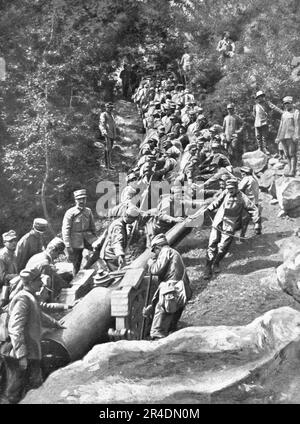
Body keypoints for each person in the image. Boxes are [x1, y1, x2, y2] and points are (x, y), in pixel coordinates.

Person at [4, 268, 64, 403]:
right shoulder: (23, 298)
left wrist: (55, 323)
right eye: (38, 280)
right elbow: (15, 328)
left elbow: (39, 315)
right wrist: (22, 356)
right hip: (22, 353)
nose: (41, 283)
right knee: (14, 392)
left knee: (32, 387)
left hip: (31, 352)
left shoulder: (29, 296)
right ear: (30, 282)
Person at [203, 178, 261, 279]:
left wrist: (257, 224)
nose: (230, 190)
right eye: (228, 188)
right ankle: (208, 268)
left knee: (223, 247)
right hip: (218, 222)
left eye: (232, 188)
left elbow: (253, 210)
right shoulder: (225, 192)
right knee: (212, 244)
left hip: (230, 225)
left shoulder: (243, 197)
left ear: (236, 188)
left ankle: (216, 263)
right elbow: (217, 201)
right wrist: (209, 208)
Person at [142, 234, 192, 340]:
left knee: (161, 312)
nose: (154, 253)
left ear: (158, 247)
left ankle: (157, 338)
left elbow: (157, 269)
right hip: (180, 288)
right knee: (171, 315)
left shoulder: (165, 251)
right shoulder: (174, 252)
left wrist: (151, 264)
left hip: (172, 289)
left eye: (154, 250)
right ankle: (169, 334)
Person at [62, 189, 96, 275]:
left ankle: (88, 267)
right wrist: (68, 245)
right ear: (75, 200)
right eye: (79, 199)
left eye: (83, 199)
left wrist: (96, 238)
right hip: (75, 240)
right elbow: (66, 229)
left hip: (88, 238)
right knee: (76, 263)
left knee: (100, 249)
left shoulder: (88, 211)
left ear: (86, 199)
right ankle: (75, 279)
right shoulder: (70, 212)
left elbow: (92, 226)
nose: (81, 201)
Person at [98, 205, 140, 271]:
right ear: (127, 216)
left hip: (113, 255)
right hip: (111, 256)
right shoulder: (118, 227)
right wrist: (120, 255)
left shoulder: (121, 222)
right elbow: (116, 242)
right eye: (133, 219)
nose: (133, 222)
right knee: (117, 276)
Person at [275, 96, 300, 177]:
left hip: (291, 136)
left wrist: (296, 135)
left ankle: (293, 171)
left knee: (292, 154)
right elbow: (281, 126)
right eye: (285, 104)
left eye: (288, 103)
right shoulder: (284, 114)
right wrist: (278, 137)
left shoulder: (296, 112)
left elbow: (297, 125)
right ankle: (290, 170)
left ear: (291, 104)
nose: (286, 105)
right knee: (287, 155)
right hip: (283, 137)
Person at [238, 166, 260, 238]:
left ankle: (242, 235)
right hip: (255, 201)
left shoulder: (246, 179)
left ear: (245, 173)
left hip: (248, 201)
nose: (241, 174)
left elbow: (239, 189)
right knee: (256, 215)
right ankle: (257, 229)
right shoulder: (254, 178)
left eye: (242, 173)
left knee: (245, 219)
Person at [0, 231, 18, 305]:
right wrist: (17, 276)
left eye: (15, 240)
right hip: (3, 288)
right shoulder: (2, 256)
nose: (14, 243)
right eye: (10, 241)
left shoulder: (14, 253)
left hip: (12, 285)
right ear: (4, 242)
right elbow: (3, 276)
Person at [99, 102, 117, 169]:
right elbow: (101, 124)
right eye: (109, 107)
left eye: (111, 108)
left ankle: (109, 164)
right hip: (107, 134)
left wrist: (115, 134)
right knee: (107, 149)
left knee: (110, 149)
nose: (110, 109)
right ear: (106, 108)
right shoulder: (103, 114)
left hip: (112, 134)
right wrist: (104, 132)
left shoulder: (111, 115)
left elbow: (113, 125)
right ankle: (107, 165)